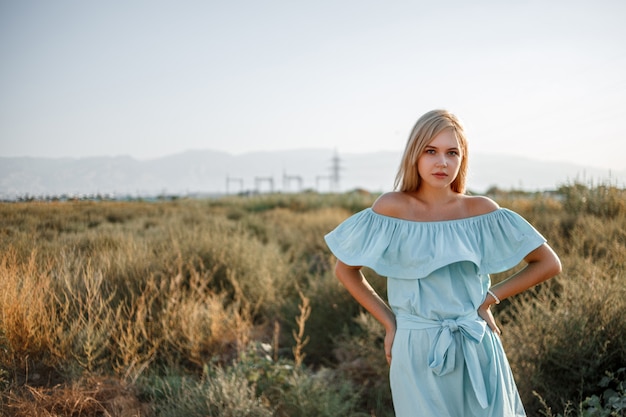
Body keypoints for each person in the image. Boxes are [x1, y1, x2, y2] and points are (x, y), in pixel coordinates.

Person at [324, 109, 561, 417]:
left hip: (476, 344)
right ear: (415, 155)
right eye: (431, 151)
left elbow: (548, 262)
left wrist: (488, 300)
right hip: (415, 349)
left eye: (452, 153)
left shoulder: (480, 210)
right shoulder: (391, 208)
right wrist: (390, 322)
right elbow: (345, 270)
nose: (442, 162)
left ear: (462, 159)